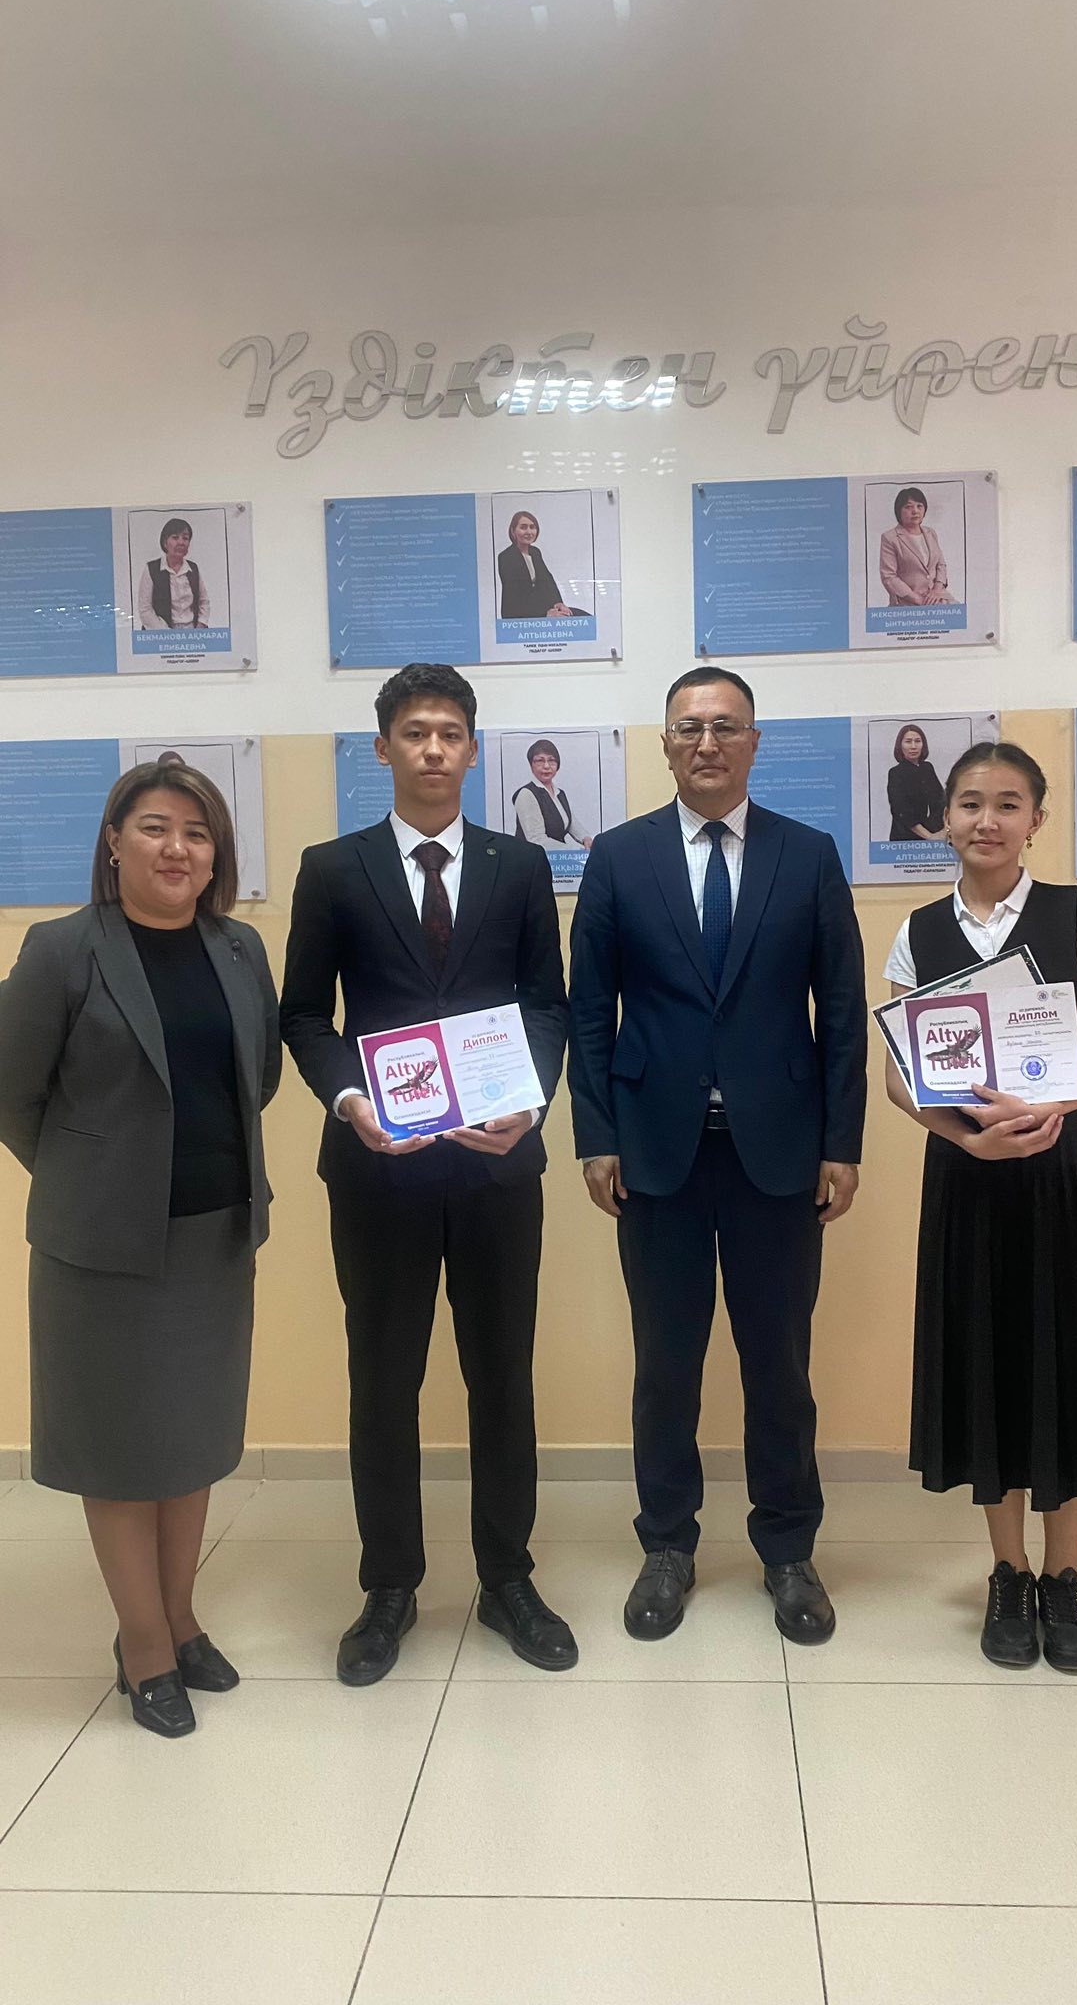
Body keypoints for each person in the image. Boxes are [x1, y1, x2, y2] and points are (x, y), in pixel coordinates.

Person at [280, 662, 577, 1683]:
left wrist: (530, 1098)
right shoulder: (333, 867)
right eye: (415, 732)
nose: (434, 748)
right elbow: (303, 1016)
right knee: (383, 1379)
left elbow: (548, 1005)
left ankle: (507, 1577)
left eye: (451, 732)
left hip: (498, 1165)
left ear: (473, 748)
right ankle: (389, 1586)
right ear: (384, 749)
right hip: (379, 1167)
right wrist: (348, 1100)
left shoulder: (518, 866)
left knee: (502, 1376)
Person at [568, 667, 868, 1647]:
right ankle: (667, 1543)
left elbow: (842, 1010)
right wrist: (596, 1136)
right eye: (689, 727)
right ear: (664, 743)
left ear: (753, 742)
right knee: (666, 1364)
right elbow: (589, 1011)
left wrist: (842, 1142)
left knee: (779, 1363)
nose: (707, 742)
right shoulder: (618, 857)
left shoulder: (807, 854)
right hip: (656, 1153)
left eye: (726, 726)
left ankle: (788, 1548)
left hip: (777, 1154)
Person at [0, 762, 281, 1738]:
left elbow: (259, 1075)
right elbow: (13, 1093)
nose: (177, 848)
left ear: (216, 856)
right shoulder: (61, 949)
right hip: (102, 1248)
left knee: (190, 1443)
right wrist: (93, 1174)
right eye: (155, 827)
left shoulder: (239, 948)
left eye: (197, 833)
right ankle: (144, 1643)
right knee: (121, 1454)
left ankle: (181, 1616)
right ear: (114, 842)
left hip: (215, 1236)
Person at [883, 741, 1077, 1673]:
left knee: (1071, 1359)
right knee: (989, 1361)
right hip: (970, 1177)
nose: (986, 820)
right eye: (969, 803)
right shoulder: (919, 931)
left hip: (1068, 1171)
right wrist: (967, 1140)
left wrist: (1059, 1101)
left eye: (1007, 804)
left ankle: (1065, 1577)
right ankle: (1007, 1571)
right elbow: (901, 1078)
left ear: (1037, 819)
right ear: (945, 819)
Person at [497, 511, 587, 620]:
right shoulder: (506, 557)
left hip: (543, 611)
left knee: (583, 617)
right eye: (523, 527)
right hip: (521, 616)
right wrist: (545, 615)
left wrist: (558, 603)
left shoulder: (535, 552)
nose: (529, 532)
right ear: (513, 531)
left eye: (532, 527)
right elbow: (516, 597)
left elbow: (547, 582)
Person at [878, 487, 954, 608]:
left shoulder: (931, 533)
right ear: (898, 511)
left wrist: (936, 590)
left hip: (937, 598)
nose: (915, 511)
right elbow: (889, 577)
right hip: (907, 602)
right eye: (908, 507)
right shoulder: (890, 538)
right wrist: (918, 600)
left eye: (919, 506)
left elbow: (941, 565)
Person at [512, 739, 594, 851]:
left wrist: (586, 838)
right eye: (540, 761)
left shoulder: (560, 793)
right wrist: (574, 851)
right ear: (531, 765)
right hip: (532, 858)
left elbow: (571, 822)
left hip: (557, 857)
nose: (546, 766)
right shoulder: (526, 794)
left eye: (551, 760)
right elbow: (537, 839)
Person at [136, 517, 211, 630]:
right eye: (175, 537)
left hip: (193, 633)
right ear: (165, 543)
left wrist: (200, 625)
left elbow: (203, 601)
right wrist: (168, 635)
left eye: (185, 538)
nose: (181, 542)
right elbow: (145, 609)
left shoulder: (193, 568)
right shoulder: (152, 569)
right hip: (160, 633)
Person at [886, 724, 946, 841]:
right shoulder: (896, 773)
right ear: (900, 745)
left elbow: (941, 801)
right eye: (908, 742)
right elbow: (901, 810)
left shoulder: (928, 768)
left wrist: (944, 831)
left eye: (917, 741)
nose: (913, 746)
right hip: (905, 838)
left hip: (935, 834)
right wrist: (929, 837)